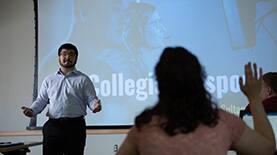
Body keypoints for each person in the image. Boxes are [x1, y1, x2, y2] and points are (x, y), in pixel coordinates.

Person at [116, 47, 276, 155]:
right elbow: (267, 149)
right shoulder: (224, 123)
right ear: (200, 79)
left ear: (160, 84)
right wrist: (254, 99)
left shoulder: (144, 129)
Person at [21, 43, 101, 155]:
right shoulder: (49, 79)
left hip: (75, 127)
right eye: (64, 54)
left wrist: (95, 106)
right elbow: (41, 100)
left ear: (76, 58)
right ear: (59, 57)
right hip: (53, 127)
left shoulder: (83, 79)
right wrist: (32, 110)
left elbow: (91, 98)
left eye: (71, 54)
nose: (67, 57)